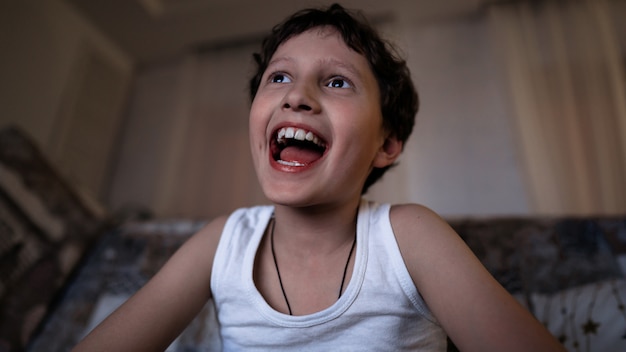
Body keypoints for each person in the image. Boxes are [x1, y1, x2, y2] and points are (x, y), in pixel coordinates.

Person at [73, 4, 565, 351]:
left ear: (386, 145)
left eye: (336, 82)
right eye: (279, 77)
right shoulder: (224, 242)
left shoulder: (409, 237)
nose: (296, 95)